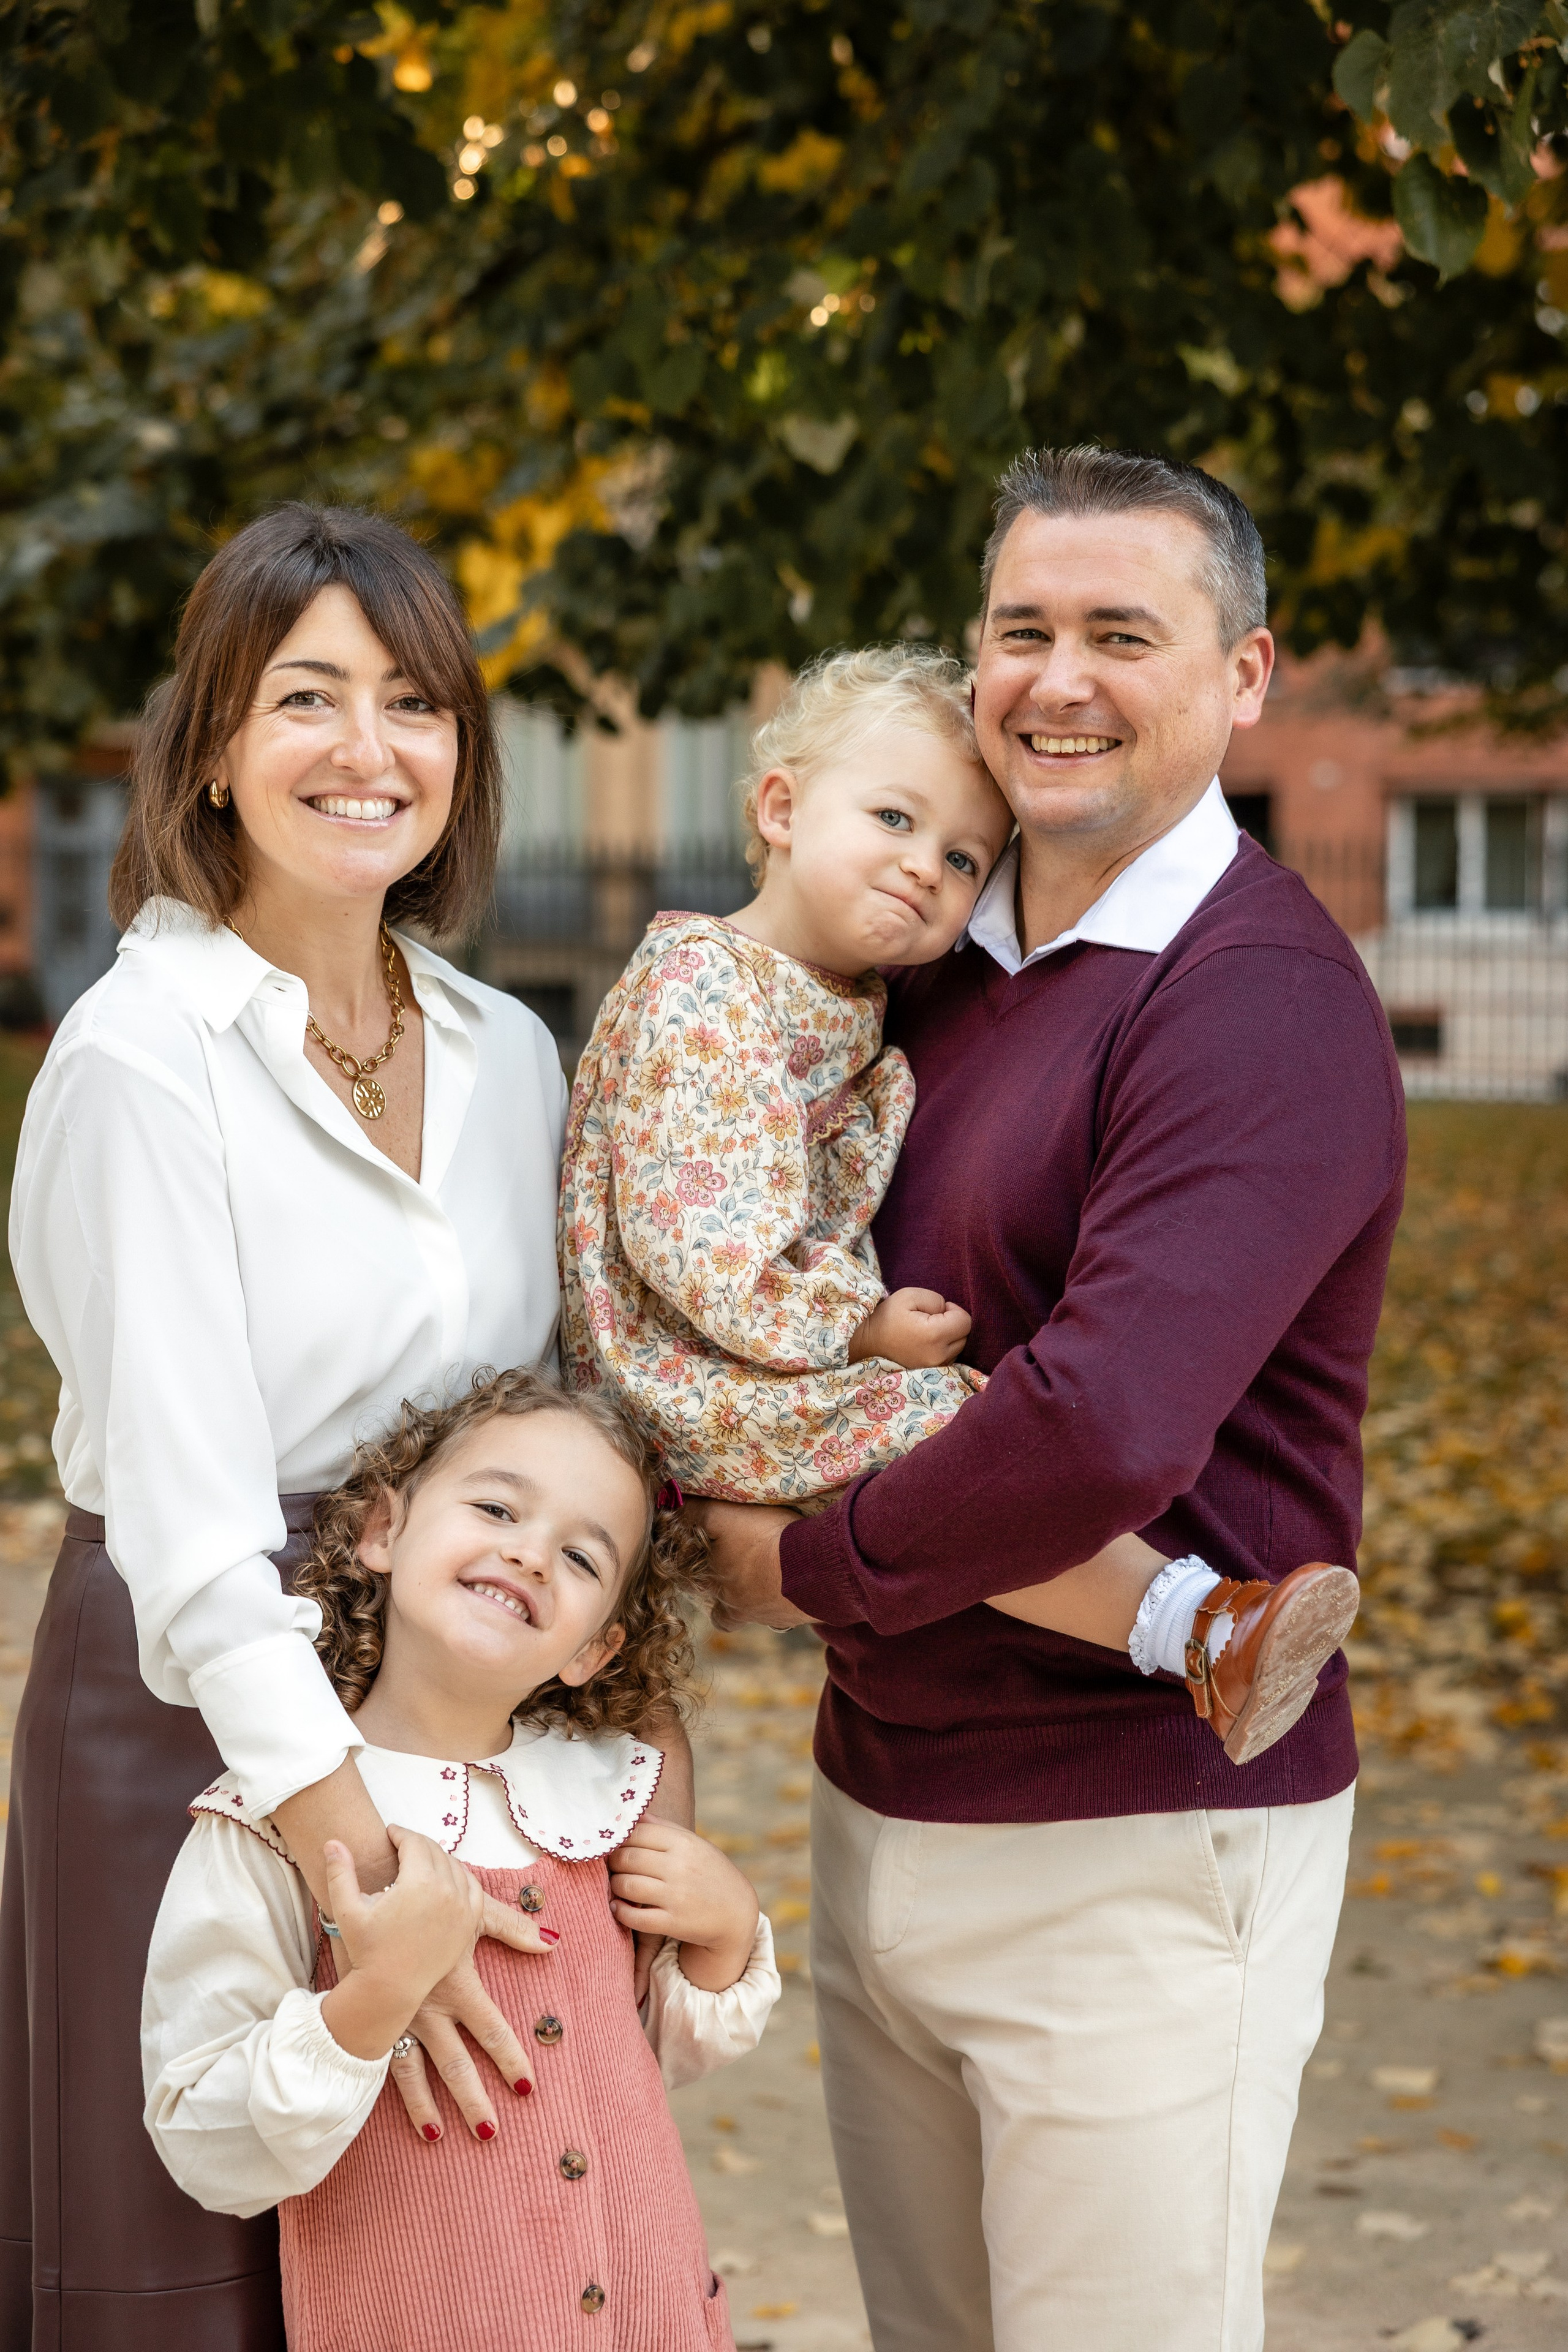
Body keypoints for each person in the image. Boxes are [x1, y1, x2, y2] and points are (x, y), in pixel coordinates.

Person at [695, 448, 1406, 2352]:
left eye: (1123, 634)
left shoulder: (1255, 998)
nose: (1059, 681)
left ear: (1244, 675)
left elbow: (1103, 1425)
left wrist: (807, 1566)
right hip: (884, 1807)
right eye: (1022, 631)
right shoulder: (927, 954)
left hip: (1139, 1851)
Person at [1, 504, 685, 2348]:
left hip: (466, 1704)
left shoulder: (507, 1050)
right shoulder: (145, 1055)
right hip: (192, 1707)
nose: (367, 749)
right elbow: (193, 1520)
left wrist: (617, 1759)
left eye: (415, 702)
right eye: (307, 697)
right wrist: (356, 1855)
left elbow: (565, 1434)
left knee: (459, 2264)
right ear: (214, 751)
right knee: (199, 2267)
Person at [560, 644, 1358, 1763]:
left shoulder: (844, 997)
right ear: (781, 808)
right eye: (891, 818)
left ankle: (1200, 1628)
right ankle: (1193, 1627)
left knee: (960, 1448)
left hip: (733, 1370)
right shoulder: (709, 1000)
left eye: (962, 856)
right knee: (961, 1439)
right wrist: (860, 1326)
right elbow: (701, 1251)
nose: (924, 867)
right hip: (684, 1368)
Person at [142, 1368, 776, 2352]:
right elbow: (205, 2146)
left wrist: (727, 1939)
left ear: (594, 1652)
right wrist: (373, 1998)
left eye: (578, 1555)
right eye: (495, 1507)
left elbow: (651, 2056)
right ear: (383, 1531)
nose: (528, 1553)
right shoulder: (265, 1827)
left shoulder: (601, 1806)